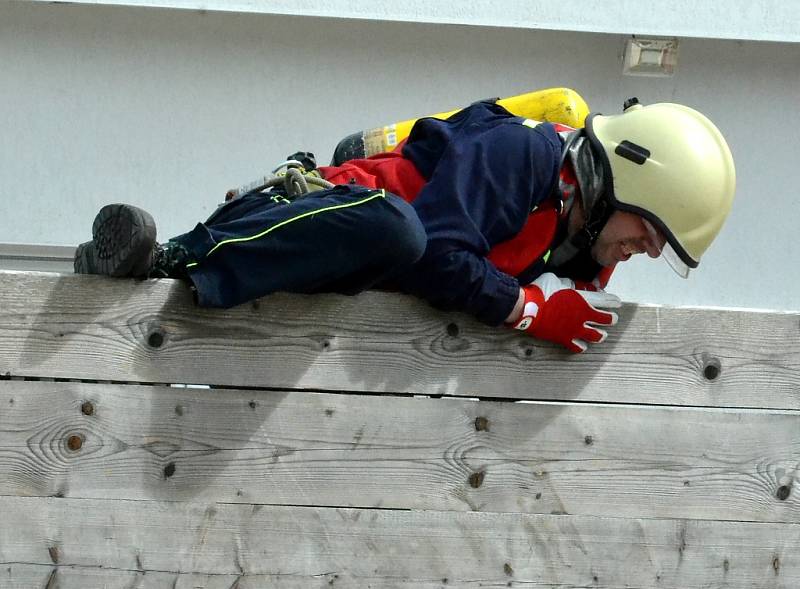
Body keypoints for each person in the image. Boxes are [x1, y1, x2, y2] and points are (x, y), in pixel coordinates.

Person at [73, 97, 735, 353]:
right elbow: (436, 256)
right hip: (303, 218)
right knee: (399, 232)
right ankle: (167, 259)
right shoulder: (525, 156)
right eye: (648, 231)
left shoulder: (583, 239)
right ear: (620, 181)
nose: (644, 251)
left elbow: (575, 304)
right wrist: (528, 310)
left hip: (336, 315)